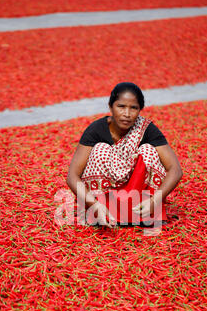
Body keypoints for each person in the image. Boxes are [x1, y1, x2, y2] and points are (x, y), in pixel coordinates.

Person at [66, 82, 183, 228]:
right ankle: (102, 213)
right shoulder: (96, 130)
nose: (127, 114)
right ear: (110, 107)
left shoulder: (147, 129)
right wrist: (94, 205)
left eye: (133, 108)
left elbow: (175, 169)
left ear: (140, 110)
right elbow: (72, 176)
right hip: (103, 206)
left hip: (139, 202)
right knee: (100, 149)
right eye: (121, 107)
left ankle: (142, 214)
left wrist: (154, 201)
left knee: (149, 151)